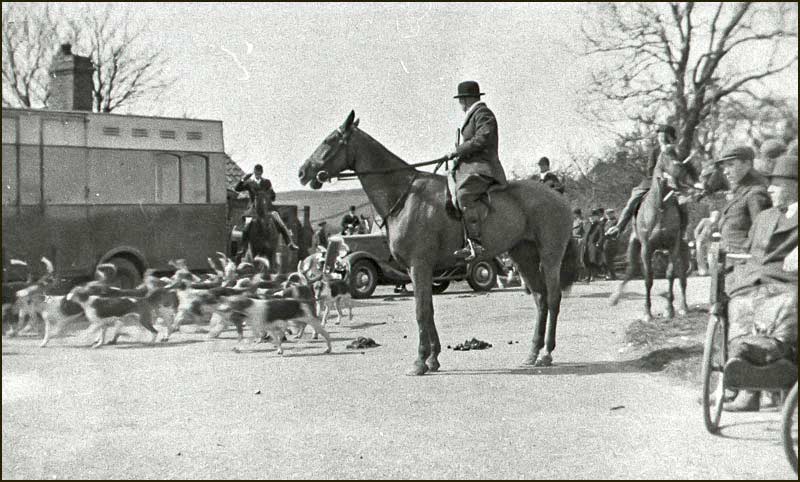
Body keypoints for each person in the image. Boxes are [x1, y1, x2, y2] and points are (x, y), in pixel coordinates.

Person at [722, 153, 797, 412]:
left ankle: (774, 374)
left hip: (786, 281)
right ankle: (746, 384)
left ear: (793, 186)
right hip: (752, 281)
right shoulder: (765, 217)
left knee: (786, 302)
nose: (770, 190)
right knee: (739, 305)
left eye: (776, 185)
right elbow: (746, 248)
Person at [444, 80, 508, 261]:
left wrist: (458, 150)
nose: (460, 105)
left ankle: (475, 242)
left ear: (466, 99)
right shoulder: (473, 116)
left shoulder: (483, 114)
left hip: (484, 167)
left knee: (464, 194)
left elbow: (483, 138)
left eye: (460, 100)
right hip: (470, 167)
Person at [605, 124, 687, 239]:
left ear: (671, 138)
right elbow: (650, 169)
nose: (661, 139)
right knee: (633, 201)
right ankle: (619, 227)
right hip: (652, 183)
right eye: (660, 137)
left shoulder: (677, 152)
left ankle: (682, 233)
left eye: (664, 137)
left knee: (684, 205)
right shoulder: (655, 151)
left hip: (673, 185)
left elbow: (682, 170)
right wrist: (661, 175)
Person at [715, 146, 771, 255]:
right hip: (729, 257)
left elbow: (761, 235)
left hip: (742, 260)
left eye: (731, 165)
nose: (725, 172)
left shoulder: (756, 193)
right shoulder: (740, 190)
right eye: (724, 167)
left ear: (747, 164)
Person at [235, 164, 298, 251]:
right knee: (247, 226)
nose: (258, 174)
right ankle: (243, 247)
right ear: (254, 172)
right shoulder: (250, 183)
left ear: (262, 172)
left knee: (279, 221)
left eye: (259, 172)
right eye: (256, 172)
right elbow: (237, 189)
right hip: (253, 210)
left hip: (267, 209)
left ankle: (289, 243)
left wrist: (271, 194)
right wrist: (243, 179)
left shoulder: (267, 182)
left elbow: (273, 197)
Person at [693, 210, 720, 276]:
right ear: (712, 215)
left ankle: (712, 271)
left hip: (711, 240)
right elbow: (697, 229)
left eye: (718, 215)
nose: (717, 216)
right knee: (699, 255)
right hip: (701, 239)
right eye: (716, 215)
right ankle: (702, 271)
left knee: (712, 255)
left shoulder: (718, 223)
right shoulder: (705, 220)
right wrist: (697, 237)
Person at [601, 209, 618, 280]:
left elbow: (616, 230)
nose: (608, 215)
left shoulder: (616, 221)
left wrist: (608, 233)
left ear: (613, 214)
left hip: (611, 241)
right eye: (607, 214)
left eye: (610, 213)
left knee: (609, 259)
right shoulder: (606, 221)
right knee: (605, 258)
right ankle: (607, 274)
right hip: (605, 241)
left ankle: (612, 275)